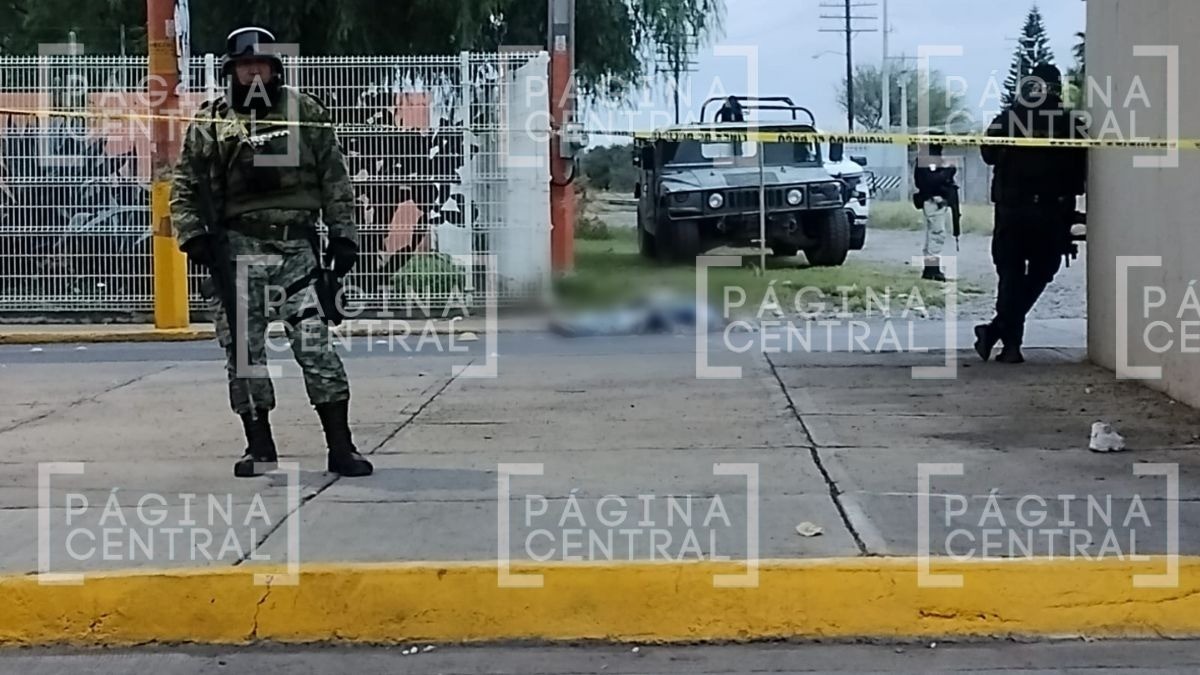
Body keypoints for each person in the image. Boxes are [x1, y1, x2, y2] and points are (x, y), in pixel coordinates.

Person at [170, 26, 373, 478]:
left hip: (297, 250)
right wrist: (194, 238)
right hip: (237, 250)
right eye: (246, 66)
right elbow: (183, 187)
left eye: (261, 65)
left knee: (316, 347)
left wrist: (344, 239)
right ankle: (259, 445)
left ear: (275, 69)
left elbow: (335, 182)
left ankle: (341, 447)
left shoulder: (307, 114)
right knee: (244, 354)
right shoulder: (211, 124)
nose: (254, 73)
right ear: (232, 72)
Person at [976, 63, 1088, 364]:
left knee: (1010, 275)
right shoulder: (1071, 123)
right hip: (1052, 211)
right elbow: (1083, 167)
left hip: (1013, 211)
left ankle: (1007, 340)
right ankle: (1002, 334)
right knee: (1041, 272)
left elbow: (987, 154)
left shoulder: (1009, 118)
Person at [912, 135, 959, 282]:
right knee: (937, 234)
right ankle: (932, 269)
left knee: (934, 235)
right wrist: (947, 173)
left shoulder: (931, 159)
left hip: (937, 200)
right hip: (933, 201)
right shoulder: (926, 160)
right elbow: (929, 182)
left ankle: (930, 268)